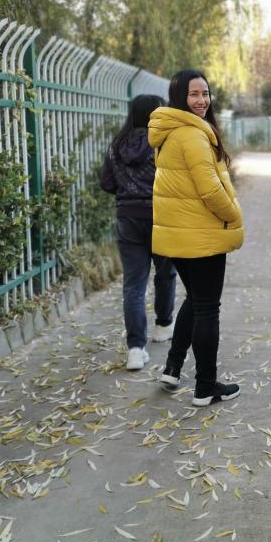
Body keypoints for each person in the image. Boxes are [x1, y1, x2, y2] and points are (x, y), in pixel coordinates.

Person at [148, 69, 243, 406]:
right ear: (179, 97)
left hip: (179, 237)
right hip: (201, 237)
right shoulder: (192, 135)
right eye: (194, 94)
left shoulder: (171, 132)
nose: (202, 100)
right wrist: (233, 215)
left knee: (196, 300)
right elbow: (210, 190)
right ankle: (205, 386)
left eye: (205, 93)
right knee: (207, 309)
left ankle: (173, 367)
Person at [99, 94, 178, 371]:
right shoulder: (163, 142)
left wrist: (127, 190)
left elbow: (106, 183)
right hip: (161, 216)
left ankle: (135, 349)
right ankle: (163, 325)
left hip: (128, 218)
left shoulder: (116, 145)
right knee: (166, 272)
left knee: (133, 285)